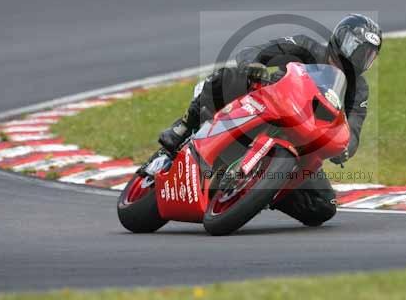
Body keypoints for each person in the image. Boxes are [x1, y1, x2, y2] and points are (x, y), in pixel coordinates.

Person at [159, 14, 382, 226]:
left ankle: (263, 192)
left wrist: (345, 147)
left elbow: (354, 127)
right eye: (358, 50)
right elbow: (260, 51)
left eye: (368, 55)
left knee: (323, 206)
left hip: (303, 136)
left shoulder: (359, 89)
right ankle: (184, 126)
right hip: (267, 101)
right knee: (228, 77)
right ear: (342, 39)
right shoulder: (306, 47)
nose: (360, 58)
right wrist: (254, 65)